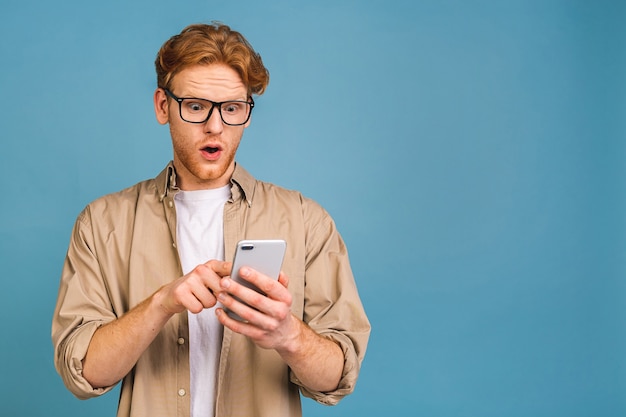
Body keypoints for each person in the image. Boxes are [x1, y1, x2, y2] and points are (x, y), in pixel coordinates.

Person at [51, 22, 370, 417]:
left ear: (247, 113)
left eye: (232, 108)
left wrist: (288, 335)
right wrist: (161, 304)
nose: (215, 126)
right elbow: (81, 372)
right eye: (197, 106)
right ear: (163, 106)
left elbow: (337, 376)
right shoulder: (102, 224)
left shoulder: (307, 221)